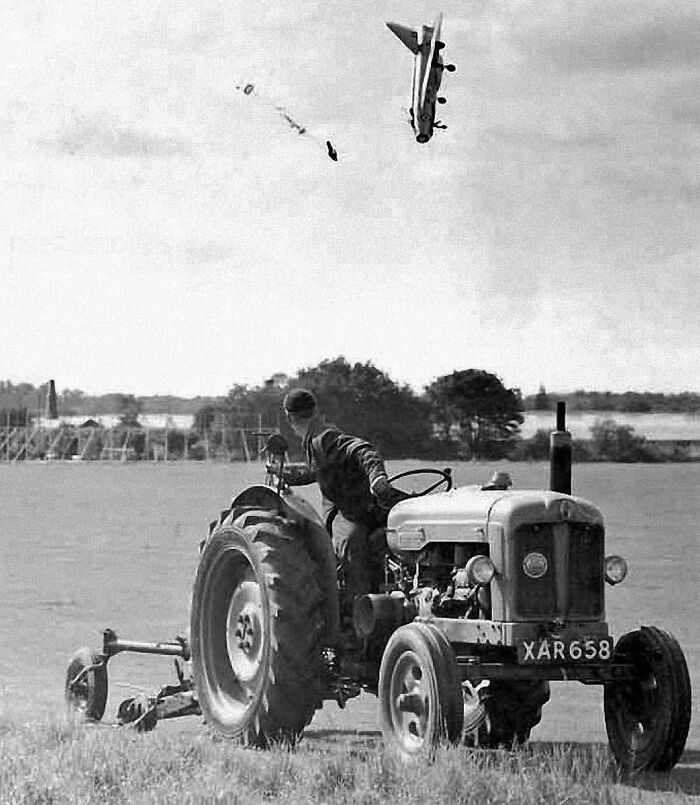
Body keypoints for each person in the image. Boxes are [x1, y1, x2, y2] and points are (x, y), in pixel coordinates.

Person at [278, 388, 405, 625]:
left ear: (290, 418)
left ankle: (368, 614)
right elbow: (319, 471)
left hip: (357, 509)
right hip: (349, 511)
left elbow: (363, 451)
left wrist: (377, 478)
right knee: (352, 542)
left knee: (356, 541)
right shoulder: (315, 439)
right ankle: (359, 618)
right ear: (315, 410)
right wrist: (286, 475)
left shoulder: (324, 437)